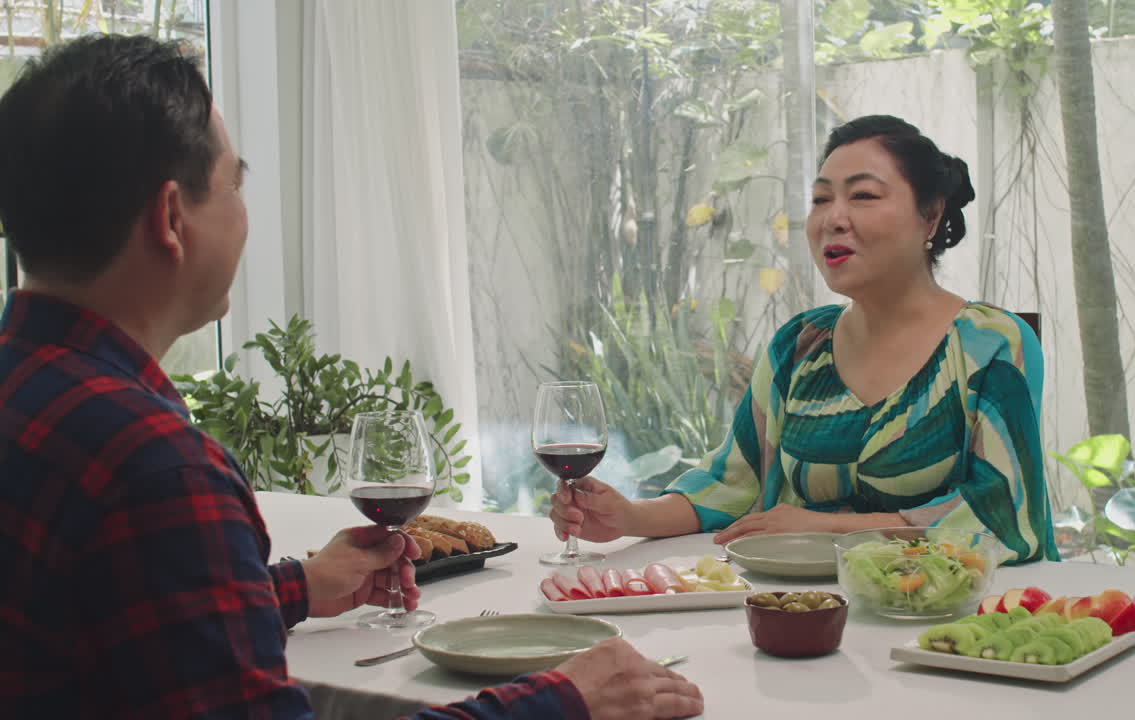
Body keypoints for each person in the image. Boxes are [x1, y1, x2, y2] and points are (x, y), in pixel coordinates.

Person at [0, 34, 702, 720]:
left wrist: (293, 589)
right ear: (172, 218)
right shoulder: (157, 473)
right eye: (234, 184)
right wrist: (564, 700)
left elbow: (104, 623)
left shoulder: (35, 398)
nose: (245, 214)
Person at [551, 115, 1058, 565]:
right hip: (802, 613)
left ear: (930, 216)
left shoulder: (991, 343)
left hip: (950, 625)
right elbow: (732, 483)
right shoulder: (800, 345)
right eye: (820, 199)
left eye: (862, 195)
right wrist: (624, 517)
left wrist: (831, 529)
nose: (832, 218)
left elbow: (1004, 517)